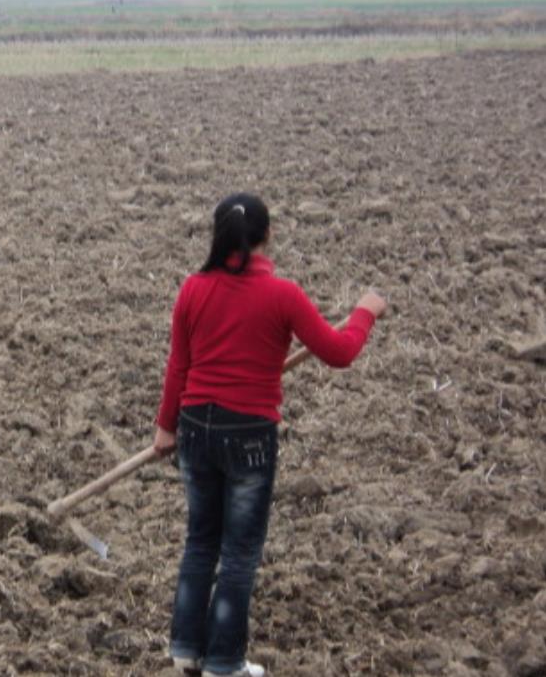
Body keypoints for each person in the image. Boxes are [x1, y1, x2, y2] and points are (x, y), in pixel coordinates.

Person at [153, 193, 386, 677]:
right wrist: (365, 313)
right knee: (238, 553)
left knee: (200, 541)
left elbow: (180, 365)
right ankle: (223, 663)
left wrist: (165, 427)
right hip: (248, 436)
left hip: (196, 427)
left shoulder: (193, 288)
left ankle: (185, 652)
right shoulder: (283, 295)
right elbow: (340, 353)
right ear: (268, 236)